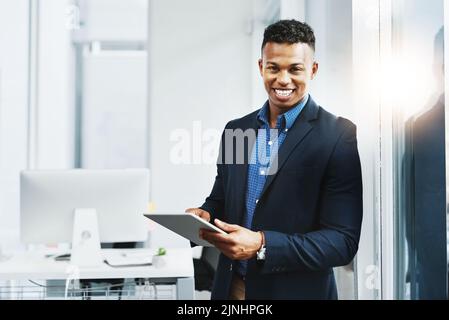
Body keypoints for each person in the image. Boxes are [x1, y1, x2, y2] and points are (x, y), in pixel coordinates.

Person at [186, 19, 363, 300]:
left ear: (313, 70)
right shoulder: (237, 130)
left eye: (295, 69)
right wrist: (205, 214)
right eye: (273, 68)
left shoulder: (338, 136)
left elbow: (342, 242)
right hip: (231, 290)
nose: (283, 79)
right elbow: (222, 198)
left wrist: (261, 244)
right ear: (261, 67)